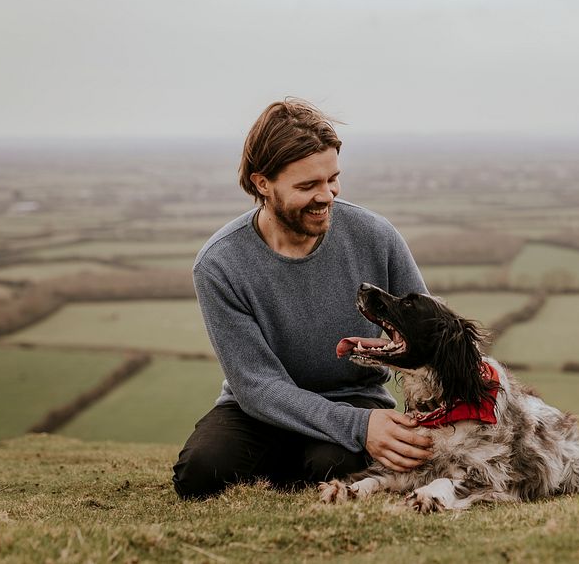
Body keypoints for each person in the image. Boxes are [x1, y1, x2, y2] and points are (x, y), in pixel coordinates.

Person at [172, 98, 433, 500]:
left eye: (332, 179)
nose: (327, 195)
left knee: (337, 467)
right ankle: (299, 462)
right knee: (201, 473)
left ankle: (303, 464)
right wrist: (359, 430)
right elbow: (257, 386)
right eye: (307, 185)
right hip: (261, 411)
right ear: (262, 183)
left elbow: (428, 337)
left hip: (355, 399)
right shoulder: (220, 264)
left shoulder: (376, 237)